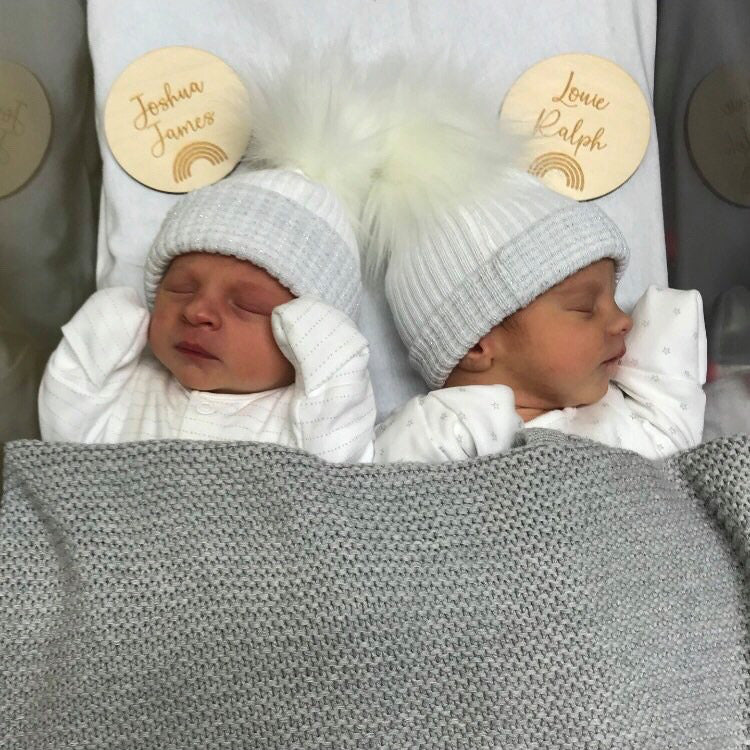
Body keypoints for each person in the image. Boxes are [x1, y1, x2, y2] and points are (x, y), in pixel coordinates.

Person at [38, 51, 379, 463]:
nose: (198, 311)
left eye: (248, 306)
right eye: (180, 289)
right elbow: (63, 444)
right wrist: (101, 333)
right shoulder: (128, 392)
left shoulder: (304, 423)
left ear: (305, 337)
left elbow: (343, 472)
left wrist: (329, 352)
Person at [367, 70, 706, 462]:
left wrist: (670, 315)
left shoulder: (614, 416)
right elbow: (380, 504)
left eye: (614, 299)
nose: (622, 320)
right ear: (477, 344)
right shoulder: (445, 429)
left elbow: (673, 441)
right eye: (583, 307)